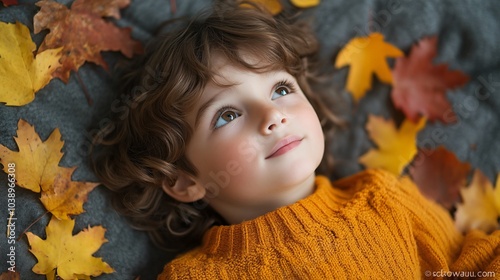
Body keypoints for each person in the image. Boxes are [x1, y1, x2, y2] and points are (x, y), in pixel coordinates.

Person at [92, 1, 500, 279]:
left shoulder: (382, 198)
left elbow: (472, 265)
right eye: (228, 114)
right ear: (184, 180)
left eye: (281, 89)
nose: (273, 116)